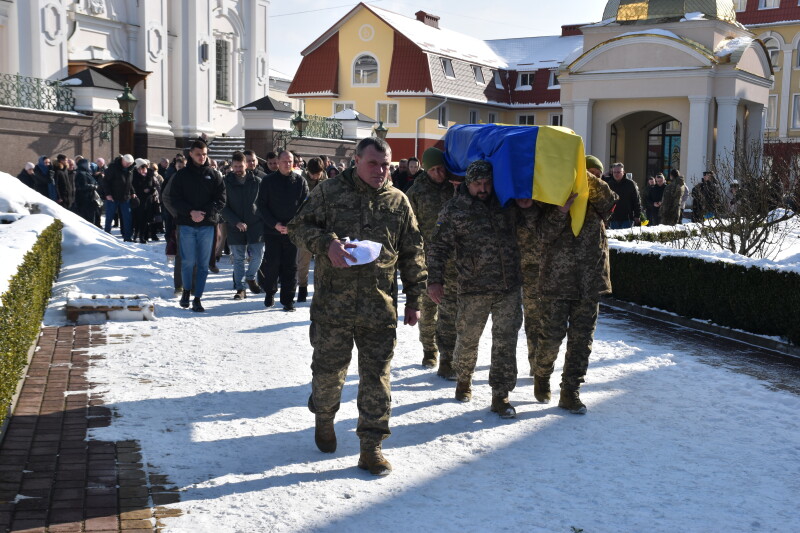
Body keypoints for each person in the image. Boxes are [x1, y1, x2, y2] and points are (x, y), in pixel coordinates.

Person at [287, 136, 426, 476]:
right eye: (373, 163)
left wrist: (415, 297)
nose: (381, 171)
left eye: (386, 164)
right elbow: (297, 228)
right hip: (333, 307)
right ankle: (323, 415)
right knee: (328, 374)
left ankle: (371, 447)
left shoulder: (399, 201)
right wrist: (326, 243)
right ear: (356, 161)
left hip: (380, 308)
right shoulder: (328, 192)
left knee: (377, 378)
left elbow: (413, 251)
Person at [519, 155, 617, 414]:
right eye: (587, 173)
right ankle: (542, 374)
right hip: (557, 282)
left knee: (581, 341)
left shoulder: (598, 201)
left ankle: (570, 390)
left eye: (596, 174)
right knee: (550, 338)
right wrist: (561, 210)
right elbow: (542, 234)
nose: (592, 178)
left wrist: (586, 178)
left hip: (590, 281)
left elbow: (609, 200)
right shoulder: (552, 199)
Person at [426, 160, 522, 419]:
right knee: (467, 340)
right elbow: (437, 247)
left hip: (508, 286)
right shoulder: (454, 210)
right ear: (468, 184)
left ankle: (501, 395)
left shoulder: (505, 204)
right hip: (473, 287)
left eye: (488, 183)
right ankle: (464, 378)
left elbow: (528, 224)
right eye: (478, 184)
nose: (483, 188)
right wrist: (434, 280)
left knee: (506, 343)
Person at [404, 147, 457, 378]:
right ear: (426, 169)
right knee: (428, 308)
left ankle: (448, 353)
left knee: (450, 308)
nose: (438, 173)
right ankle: (429, 349)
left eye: (441, 168)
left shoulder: (454, 187)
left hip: (452, 257)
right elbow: (408, 226)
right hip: (425, 257)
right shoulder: (416, 191)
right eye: (433, 169)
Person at [166, 140, 226, 312]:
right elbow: (174, 199)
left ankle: (197, 297)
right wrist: (190, 212)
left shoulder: (214, 175)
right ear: (190, 154)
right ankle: (186, 291)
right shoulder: (181, 175)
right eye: (198, 154)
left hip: (207, 224)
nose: (202, 157)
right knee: (187, 261)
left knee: (202, 263)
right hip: (186, 224)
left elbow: (221, 199)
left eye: (205, 154)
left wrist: (204, 213)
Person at [257, 150, 308, 311]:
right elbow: (261, 206)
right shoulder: (268, 181)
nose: (287, 164)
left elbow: (305, 208)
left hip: (292, 232)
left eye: (290, 161)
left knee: (290, 266)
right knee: (272, 264)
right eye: (284, 161)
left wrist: (293, 226)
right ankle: (270, 292)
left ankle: (288, 300)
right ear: (278, 162)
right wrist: (275, 224)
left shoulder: (300, 181)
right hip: (272, 230)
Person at [222, 151, 265, 300]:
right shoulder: (226, 182)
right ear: (231, 166)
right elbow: (222, 206)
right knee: (239, 258)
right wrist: (235, 221)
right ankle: (240, 288)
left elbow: (264, 204)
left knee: (258, 254)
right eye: (235, 166)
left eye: (241, 166)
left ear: (246, 164)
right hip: (235, 225)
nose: (238, 169)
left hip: (255, 224)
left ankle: (250, 277)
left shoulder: (257, 182)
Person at [295, 157, 327, 303]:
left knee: (324, 261)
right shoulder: (299, 181)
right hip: (306, 225)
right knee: (303, 260)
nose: (315, 177)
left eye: (317, 174)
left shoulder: (328, 183)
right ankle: (302, 287)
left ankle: (322, 289)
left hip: (324, 225)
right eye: (312, 174)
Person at [103, 154, 136, 241]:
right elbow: (105, 182)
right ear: (122, 160)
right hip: (112, 197)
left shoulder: (130, 169)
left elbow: (130, 183)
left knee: (127, 217)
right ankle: (106, 234)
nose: (128, 165)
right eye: (127, 163)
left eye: (130, 163)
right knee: (109, 217)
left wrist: (133, 192)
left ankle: (127, 237)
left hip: (125, 197)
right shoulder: (113, 167)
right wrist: (108, 194)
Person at [603, 162, 641, 229]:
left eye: (618, 172)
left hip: (627, 218)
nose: (616, 174)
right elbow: (606, 202)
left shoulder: (630, 184)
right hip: (613, 218)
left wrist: (637, 216)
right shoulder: (609, 184)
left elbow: (636, 201)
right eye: (614, 172)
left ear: (623, 172)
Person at [132, 158, 157, 243]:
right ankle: (136, 234)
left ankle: (142, 236)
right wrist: (142, 190)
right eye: (141, 168)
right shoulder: (134, 175)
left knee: (145, 219)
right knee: (137, 219)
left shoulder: (150, 175)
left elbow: (153, 186)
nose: (143, 170)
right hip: (138, 200)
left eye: (145, 168)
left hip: (148, 200)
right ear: (137, 168)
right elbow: (133, 187)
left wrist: (150, 190)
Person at [73, 158, 99, 224]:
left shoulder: (86, 172)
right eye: (88, 164)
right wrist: (93, 186)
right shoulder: (81, 173)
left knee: (91, 217)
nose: (89, 165)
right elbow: (82, 186)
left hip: (89, 198)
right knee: (87, 218)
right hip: (84, 200)